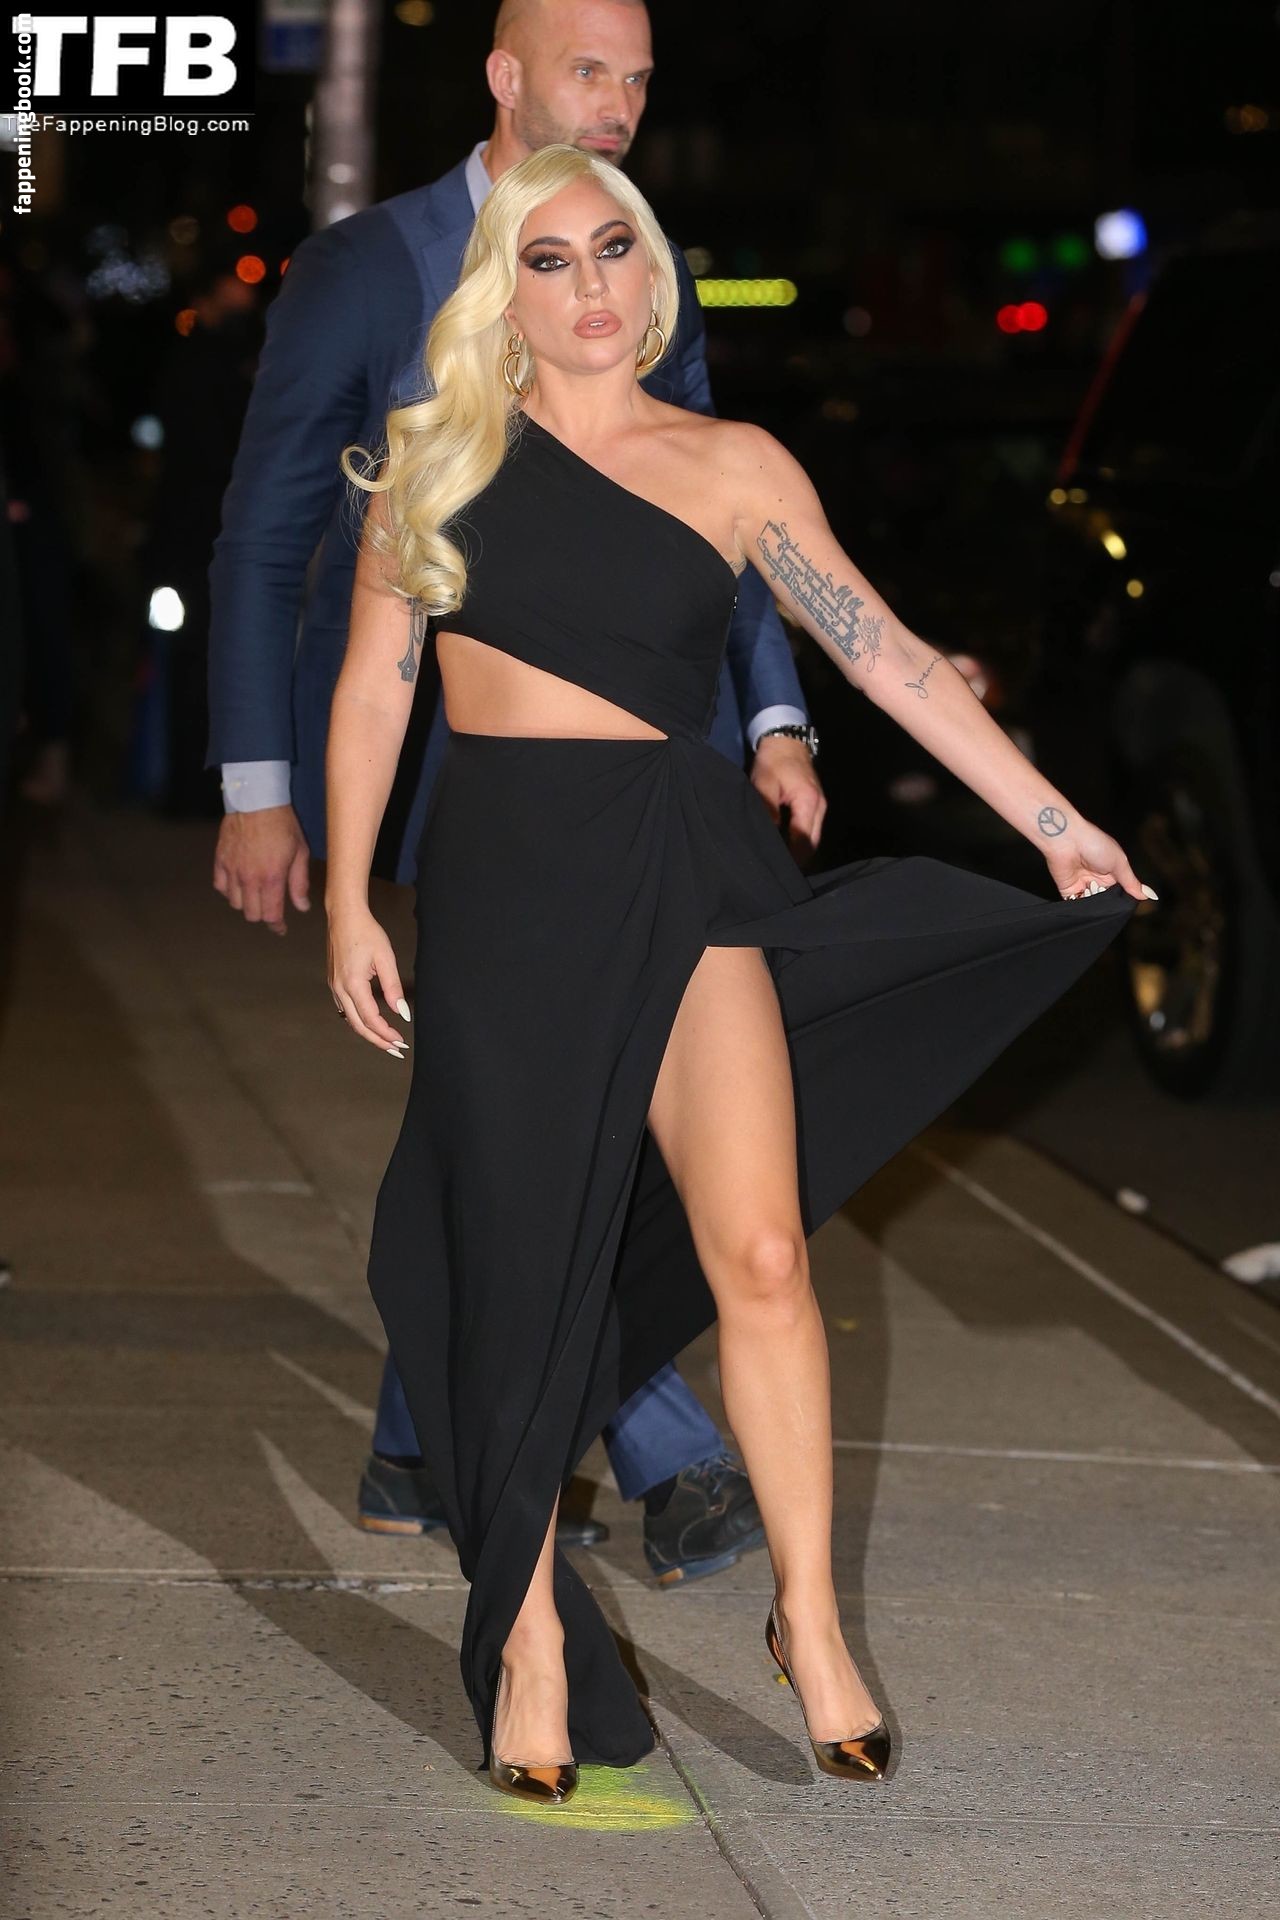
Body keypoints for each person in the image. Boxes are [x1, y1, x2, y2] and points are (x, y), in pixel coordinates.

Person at [326, 144, 1151, 1805]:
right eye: (548, 259)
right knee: (521, 1280)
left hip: (685, 865)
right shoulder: (433, 462)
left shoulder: (734, 466)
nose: (589, 286)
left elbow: (886, 655)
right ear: (504, 293)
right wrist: (349, 897)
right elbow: (373, 692)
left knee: (766, 1253)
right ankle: (531, 1642)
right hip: (508, 891)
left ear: (654, 274)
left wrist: (1056, 826)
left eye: (613, 250)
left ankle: (810, 1617)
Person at [206, 0, 823, 1577]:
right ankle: (640, 1452)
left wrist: (774, 715)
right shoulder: (369, 268)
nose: (617, 103)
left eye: (638, 78)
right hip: (461, 777)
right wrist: (263, 787)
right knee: (525, 1141)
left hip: (654, 791)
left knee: (529, 1146)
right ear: (504, 75)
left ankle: (427, 1443)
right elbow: (270, 534)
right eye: (586, 71)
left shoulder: (640, 263)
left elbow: (716, 517)